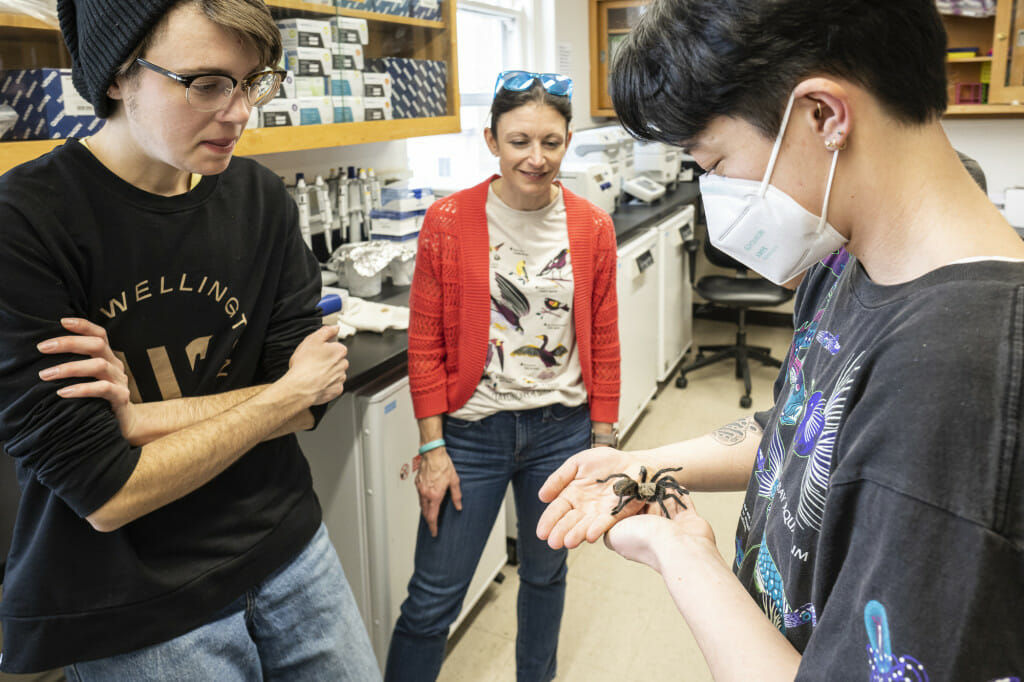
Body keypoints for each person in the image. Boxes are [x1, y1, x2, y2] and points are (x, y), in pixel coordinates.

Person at [537, 0, 1024, 679]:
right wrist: (641, 465)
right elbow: (804, 426)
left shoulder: (958, 383)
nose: (717, 194)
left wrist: (683, 555)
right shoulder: (848, 256)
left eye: (716, 162)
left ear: (824, 115)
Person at [0, 0, 379, 679]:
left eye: (252, 80)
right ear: (118, 75)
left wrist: (137, 419)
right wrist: (275, 397)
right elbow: (109, 494)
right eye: (206, 83)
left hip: (291, 546)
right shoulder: (25, 226)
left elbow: (314, 400)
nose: (238, 112)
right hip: (137, 603)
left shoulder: (259, 197)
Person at [384, 70, 621, 682]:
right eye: (519, 141)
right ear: (491, 140)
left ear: (568, 140)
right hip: (471, 437)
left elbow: (601, 336)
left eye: (551, 141)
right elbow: (424, 341)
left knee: (546, 577)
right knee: (433, 599)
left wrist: (604, 440)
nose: (536, 158)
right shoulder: (447, 220)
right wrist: (432, 446)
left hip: (561, 432)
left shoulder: (593, 226)